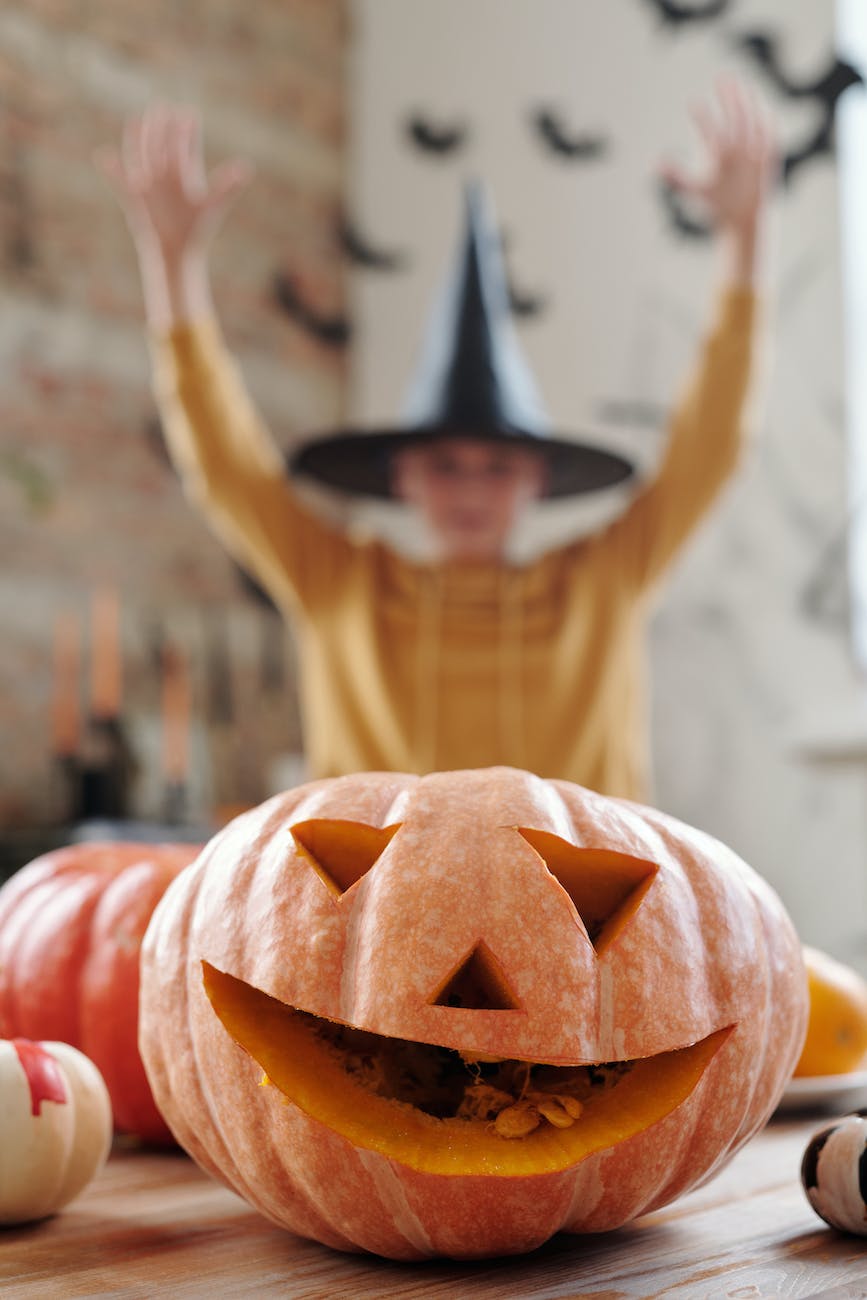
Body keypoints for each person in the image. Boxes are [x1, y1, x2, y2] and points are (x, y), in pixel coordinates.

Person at [99, 79, 775, 799]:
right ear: (403, 477)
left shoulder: (601, 581)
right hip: (377, 901)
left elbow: (708, 447)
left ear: (536, 480)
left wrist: (745, 241)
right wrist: (173, 267)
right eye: (447, 466)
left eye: (496, 467)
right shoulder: (339, 583)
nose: (471, 489)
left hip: (579, 904)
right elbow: (224, 465)